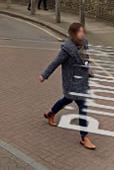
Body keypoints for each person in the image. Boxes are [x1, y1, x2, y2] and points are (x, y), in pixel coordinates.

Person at [39, 22, 96, 150]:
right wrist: (45, 75)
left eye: (83, 31)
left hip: (82, 81)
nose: (83, 33)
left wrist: (88, 68)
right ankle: (84, 137)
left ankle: (51, 113)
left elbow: (86, 58)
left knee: (67, 99)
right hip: (72, 82)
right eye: (80, 31)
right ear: (74, 34)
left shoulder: (84, 43)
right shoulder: (67, 49)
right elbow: (55, 62)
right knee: (83, 108)